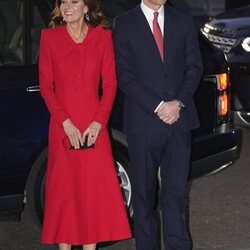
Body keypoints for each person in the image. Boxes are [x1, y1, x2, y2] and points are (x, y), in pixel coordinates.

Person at [38, 0, 132, 249]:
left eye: (74, 1)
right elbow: (46, 88)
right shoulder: (49, 38)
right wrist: (66, 123)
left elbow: (110, 85)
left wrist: (98, 123)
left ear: (86, 7)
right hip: (62, 127)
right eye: (64, 2)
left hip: (94, 128)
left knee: (92, 196)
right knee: (65, 196)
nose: (68, 6)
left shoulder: (102, 38)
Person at [113, 0, 203, 249]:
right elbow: (124, 75)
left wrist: (179, 102)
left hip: (179, 122)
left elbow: (194, 67)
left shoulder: (182, 19)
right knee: (143, 198)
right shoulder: (124, 24)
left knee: (175, 195)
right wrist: (158, 106)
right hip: (143, 124)